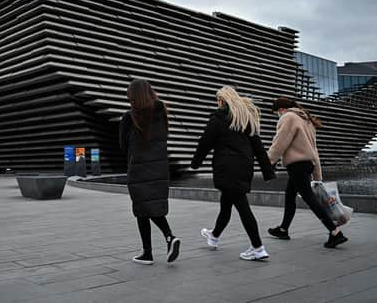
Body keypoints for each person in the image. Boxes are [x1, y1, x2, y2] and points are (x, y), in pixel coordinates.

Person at [191, 86, 274, 261]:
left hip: (226, 169)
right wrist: (268, 171)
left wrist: (196, 163)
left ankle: (258, 247)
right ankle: (213, 237)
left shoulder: (218, 119)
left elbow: (205, 142)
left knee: (242, 207)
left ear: (221, 100)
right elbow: (258, 147)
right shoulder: (245, 119)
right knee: (226, 205)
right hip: (244, 168)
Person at [266, 96, 348, 248]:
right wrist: (317, 173)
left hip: (297, 165)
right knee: (290, 195)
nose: (277, 115)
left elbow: (280, 142)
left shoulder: (288, 117)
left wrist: (268, 161)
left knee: (310, 198)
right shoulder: (306, 120)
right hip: (307, 164)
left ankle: (335, 232)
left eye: (276, 112)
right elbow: (314, 149)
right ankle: (283, 229)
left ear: (281, 109)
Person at [119, 79, 180, 265]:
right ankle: (169, 238)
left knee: (141, 209)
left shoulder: (130, 117)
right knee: (150, 207)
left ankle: (149, 252)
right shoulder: (162, 114)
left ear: (133, 96)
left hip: (139, 170)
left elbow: (122, 146)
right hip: (159, 169)